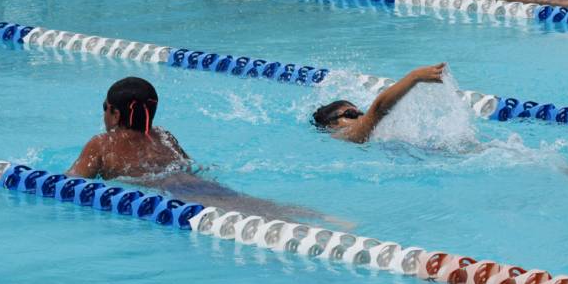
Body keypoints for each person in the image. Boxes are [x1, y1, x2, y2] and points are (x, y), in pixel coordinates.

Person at [68, 77, 329, 223]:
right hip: (198, 184)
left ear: (114, 113)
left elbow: (72, 182)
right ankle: (322, 217)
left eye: (105, 108)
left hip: (170, 193)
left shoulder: (102, 143)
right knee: (255, 205)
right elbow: (189, 166)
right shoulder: (163, 135)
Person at [312, 63, 446, 143]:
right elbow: (378, 109)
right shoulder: (342, 135)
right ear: (332, 125)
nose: (360, 115)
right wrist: (414, 77)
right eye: (351, 114)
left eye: (360, 112)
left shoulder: (376, 133)